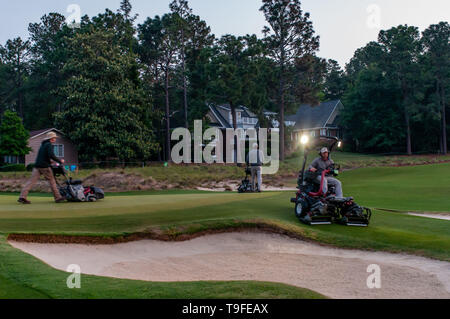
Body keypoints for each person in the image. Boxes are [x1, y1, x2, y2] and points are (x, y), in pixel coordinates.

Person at [18, 132, 66, 204]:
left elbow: (44, 156)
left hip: (37, 166)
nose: (55, 139)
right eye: (54, 138)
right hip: (45, 167)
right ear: (51, 139)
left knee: (31, 182)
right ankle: (58, 197)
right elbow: (51, 155)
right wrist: (60, 161)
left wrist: (50, 161)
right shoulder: (49, 145)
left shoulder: (43, 145)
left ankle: (22, 197)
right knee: (52, 181)